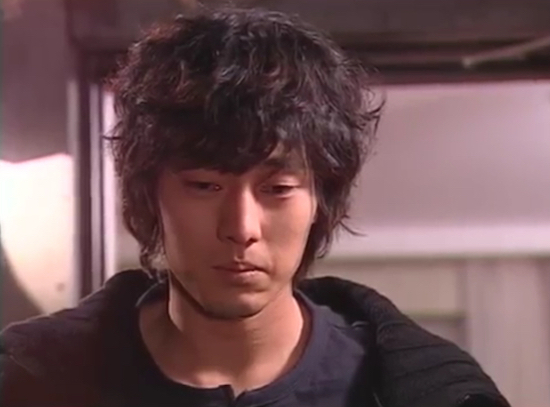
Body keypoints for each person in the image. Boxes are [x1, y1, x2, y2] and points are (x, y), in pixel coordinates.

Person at [0, 7, 510, 407]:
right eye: (205, 186)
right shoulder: (34, 382)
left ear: (319, 200)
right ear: (151, 196)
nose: (241, 228)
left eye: (277, 189)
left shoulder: (416, 391)